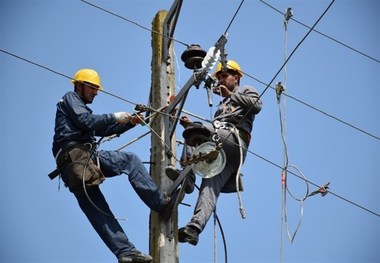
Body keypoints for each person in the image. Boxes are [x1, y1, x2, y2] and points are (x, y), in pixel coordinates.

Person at [51, 68, 180, 263]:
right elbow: (87, 122)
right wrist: (114, 116)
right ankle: (160, 203)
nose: (96, 92)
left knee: (97, 211)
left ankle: (125, 252)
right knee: (130, 160)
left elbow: (100, 128)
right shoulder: (70, 98)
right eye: (93, 88)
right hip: (78, 156)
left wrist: (131, 122)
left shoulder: (76, 109)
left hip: (71, 167)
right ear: (79, 85)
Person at [165, 60, 262, 246]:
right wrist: (190, 126)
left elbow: (257, 106)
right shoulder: (222, 103)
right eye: (219, 77)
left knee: (197, 131)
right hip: (221, 150)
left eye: (225, 76)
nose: (221, 80)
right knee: (210, 188)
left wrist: (232, 95)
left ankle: (189, 177)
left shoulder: (245, 90)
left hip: (234, 141)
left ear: (236, 77)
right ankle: (194, 228)